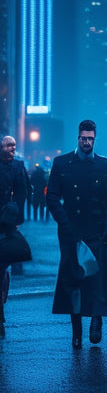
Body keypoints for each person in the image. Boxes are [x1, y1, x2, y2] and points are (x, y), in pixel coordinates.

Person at [46, 120, 107, 349]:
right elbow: (51, 196)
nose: (87, 142)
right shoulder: (62, 163)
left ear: (95, 138)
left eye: (90, 138)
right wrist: (65, 223)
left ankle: (96, 320)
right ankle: (76, 333)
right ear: (78, 137)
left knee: (96, 281)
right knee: (73, 283)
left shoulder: (103, 164)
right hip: (71, 234)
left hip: (96, 231)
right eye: (84, 138)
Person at [0, 135, 27, 339]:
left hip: (8, 220)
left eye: (13, 145)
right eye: (7, 145)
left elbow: (22, 193)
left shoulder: (18, 166)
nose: (11, 148)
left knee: (3, 266)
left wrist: (17, 217)